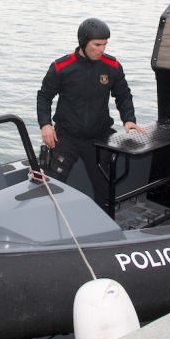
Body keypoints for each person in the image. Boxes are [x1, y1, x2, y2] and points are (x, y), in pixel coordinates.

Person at [37, 18, 145, 207]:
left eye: (105, 44)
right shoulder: (61, 67)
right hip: (66, 137)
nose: (102, 49)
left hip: (98, 138)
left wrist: (128, 119)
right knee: (53, 185)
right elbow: (44, 97)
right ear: (83, 42)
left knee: (104, 189)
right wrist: (45, 124)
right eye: (97, 44)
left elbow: (123, 95)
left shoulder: (112, 66)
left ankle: (104, 224)